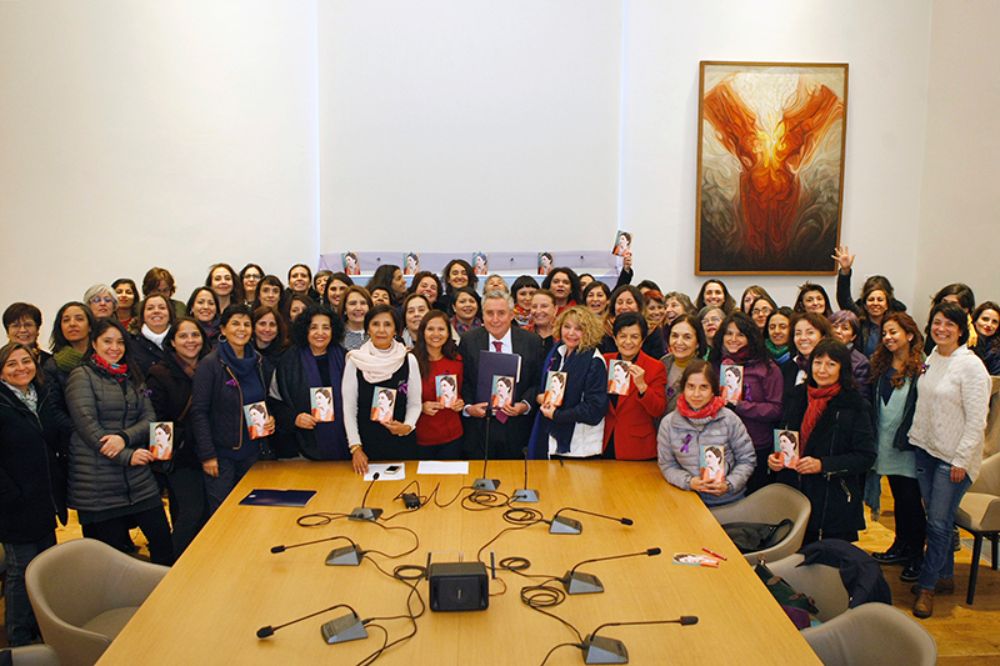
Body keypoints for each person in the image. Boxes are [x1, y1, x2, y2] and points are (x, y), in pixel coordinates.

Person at [64, 319, 173, 564]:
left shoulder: (132, 376)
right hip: (98, 484)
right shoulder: (81, 376)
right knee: (110, 561)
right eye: (107, 341)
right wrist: (127, 455)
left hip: (138, 479)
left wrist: (125, 439)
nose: (115, 347)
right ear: (94, 343)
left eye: (120, 342)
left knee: (163, 542)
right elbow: (88, 427)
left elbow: (149, 417)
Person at [908, 302, 991, 618]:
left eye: (949, 324)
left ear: (961, 329)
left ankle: (927, 587)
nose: (941, 329)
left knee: (939, 524)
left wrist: (960, 459)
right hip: (926, 450)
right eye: (937, 323)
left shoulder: (970, 366)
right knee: (936, 518)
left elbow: (976, 420)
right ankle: (944, 576)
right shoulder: (932, 357)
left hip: (953, 460)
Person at [769, 339, 876, 544]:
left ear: (842, 369)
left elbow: (865, 456)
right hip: (793, 492)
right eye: (818, 363)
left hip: (832, 498)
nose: (822, 370)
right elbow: (784, 435)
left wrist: (823, 464)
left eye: (831, 364)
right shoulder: (797, 395)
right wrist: (774, 459)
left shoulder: (855, 404)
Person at [0, 342, 67, 646]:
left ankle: (45, 629)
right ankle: (19, 639)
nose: (20, 368)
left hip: (43, 500)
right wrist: (11, 495)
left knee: (44, 569)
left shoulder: (38, 396)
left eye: (25, 361)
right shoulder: (3, 402)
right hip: (14, 505)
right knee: (20, 572)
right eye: (11, 364)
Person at [192, 305, 276, 514]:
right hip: (221, 456)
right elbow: (199, 412)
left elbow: (265, 400)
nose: (242, 329)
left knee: (254, 512)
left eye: (247, 324)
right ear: (223, 329)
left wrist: (271, 418)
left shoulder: (258, 361)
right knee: (223, 514)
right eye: (235, 323)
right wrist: (208, 455)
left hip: (254, 453)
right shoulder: (210, 364)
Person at [867, 312, 927, 583]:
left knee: (912, 503)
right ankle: (900, 546)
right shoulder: (881, 365)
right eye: (885, 333)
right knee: (900, 501)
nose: (889, 337)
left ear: (910, 335)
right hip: (885, 444)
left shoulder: (922, 369)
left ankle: (916, 555)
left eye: (894, 332)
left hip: (909, 447)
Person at [145, 318, 211, 557]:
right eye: (183, 336)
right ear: (172, 341)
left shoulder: (210, 366)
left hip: (208, 451)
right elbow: (156, 419)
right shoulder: (159, 374)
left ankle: (199, 562)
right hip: (180, 455)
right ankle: (172, 566)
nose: (190, 341)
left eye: (195, 335)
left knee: (206, 513)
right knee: (190, 512)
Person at [459, 291, 544, 460]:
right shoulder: (469, 340)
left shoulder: (531, 341)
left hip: (517, 427)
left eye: (501, 313)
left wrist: (525, 405)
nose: (495, 319)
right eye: (490, 313)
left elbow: (537, 381)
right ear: (482, 315)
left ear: (512, 315)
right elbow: (465, 380)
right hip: (480, 427)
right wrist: (469, 407)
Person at [657, 360, 755, 506]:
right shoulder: (668, 423)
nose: (696, 394)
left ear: (713, 391)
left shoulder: (729, 419)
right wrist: (689, 482)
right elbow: (667, 465)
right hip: (687, 499)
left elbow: (747, 460)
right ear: (683, 389)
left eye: (703, 387)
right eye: (690, 387)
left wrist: (729, 484)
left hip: (729, 501)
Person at [343, 305, 422, 473]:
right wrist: (355, 447)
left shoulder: (408, 359)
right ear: (368, 329)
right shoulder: (355, 361)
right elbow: (349, 409)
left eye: (387, 324)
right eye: (375, 324)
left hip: (401, 442)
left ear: (396, 330)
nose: (381, 330)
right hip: (366, 445)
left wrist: (407, 426)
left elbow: (415, 403)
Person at [711, 312, 783, 493]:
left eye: (740, 334)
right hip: (723, 444)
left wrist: (740, 405)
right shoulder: (717, 364)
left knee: (753, 499)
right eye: (728, 333)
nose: (733, 339)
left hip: (755, 444)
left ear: (751, 337)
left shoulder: (767, 368)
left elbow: (776, 409)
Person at [528, 306, 608, 458]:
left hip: (581, 448)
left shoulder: (594, 361)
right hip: (553, 441)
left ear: (589, 331)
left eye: (578, 328)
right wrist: (542, 397)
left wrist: (557, 415)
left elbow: (594, 409)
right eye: (567, 326)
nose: (571, 333)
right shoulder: (558, 353)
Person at [272, 304, 350, 461]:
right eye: (313, 327)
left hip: (345, 443)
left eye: (326, 327)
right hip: (302, 449)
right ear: (305, 330)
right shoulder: (287, 361)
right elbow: (274, 401)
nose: (320, 333)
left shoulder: (345, 358)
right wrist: (294, 418)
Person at [602, 313, 667, 460]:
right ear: (615, 338)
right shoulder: (604, 361)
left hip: (637, 445)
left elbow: (658, 410)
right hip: (605, 440)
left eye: (634, 337)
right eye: (623, 336)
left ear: (642, 340)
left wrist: (643, 387)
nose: (628, 342)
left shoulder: (655, 367)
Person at [832, 246, 906, 357]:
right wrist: (845, 272)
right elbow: (844, 299)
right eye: (871, 299)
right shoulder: (859, 318)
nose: (875, 303)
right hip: (862, 370)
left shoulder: (899, 321)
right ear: (865, 303)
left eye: (880, 300)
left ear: (887, 303)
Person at [413, 311, 464, 460]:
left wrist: (460, 402)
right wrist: (421, 407)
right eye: (430, 329)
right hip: (421, 436)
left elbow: (460, 391)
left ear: (449, 333)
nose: (436, 334)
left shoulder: (457, 360)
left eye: (441, 329)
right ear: (422, 332)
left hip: (453, 435)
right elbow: (404, 399)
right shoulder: (411, 361)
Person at [660, 314, 707, 414]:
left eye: (687, 337)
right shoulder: (663, 362)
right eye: (675, 336)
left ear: (698, 343)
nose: (679, 342)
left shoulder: (704, 371)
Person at [601, 285, 665, 358]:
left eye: (629, 302)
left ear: (639, 306)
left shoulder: (652, 330)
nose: (624, 307)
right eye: (620, 302)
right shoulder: (604, 330)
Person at [782, 312, 833, 399]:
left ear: (823, 337)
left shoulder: (832, 367)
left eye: (810, 333)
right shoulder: (787, 367)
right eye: (798, 333)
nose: (803, 338)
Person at [829, 310, 873, 400]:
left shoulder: (861, 362)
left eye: (845, 328)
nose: (838, 331)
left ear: (853, 336)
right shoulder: (819, 353)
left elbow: (861, 397)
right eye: (835, 327)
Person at [922, 283, 977, 355]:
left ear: (966, 310)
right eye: (944, 302)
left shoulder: (974, 336)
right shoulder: (936, 329)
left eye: (953, 304)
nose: (946, 307)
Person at [130, 294, 176, 376]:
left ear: (170, 313)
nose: (156, 311)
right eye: (150, 308)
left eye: (162, 308)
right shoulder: (131, 342)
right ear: (143, 316)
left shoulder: (181, 340)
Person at [340, 286, 372, 351]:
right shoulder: (337, 336)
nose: (358, 308)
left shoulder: (378, 332)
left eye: (363, 303)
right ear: (344, 309)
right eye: (352, 303)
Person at [972, 301, 1000, 375]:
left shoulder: (997, 350)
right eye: (985, 319)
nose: (989, 324)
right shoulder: (962, 342)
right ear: (975, 320)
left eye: (994, 322)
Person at [529, 289, 558, 355]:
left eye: (544, 306)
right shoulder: (522, 333)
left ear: (555, 309)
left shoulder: (564, 334)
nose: (538, 311)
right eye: (534, 307)